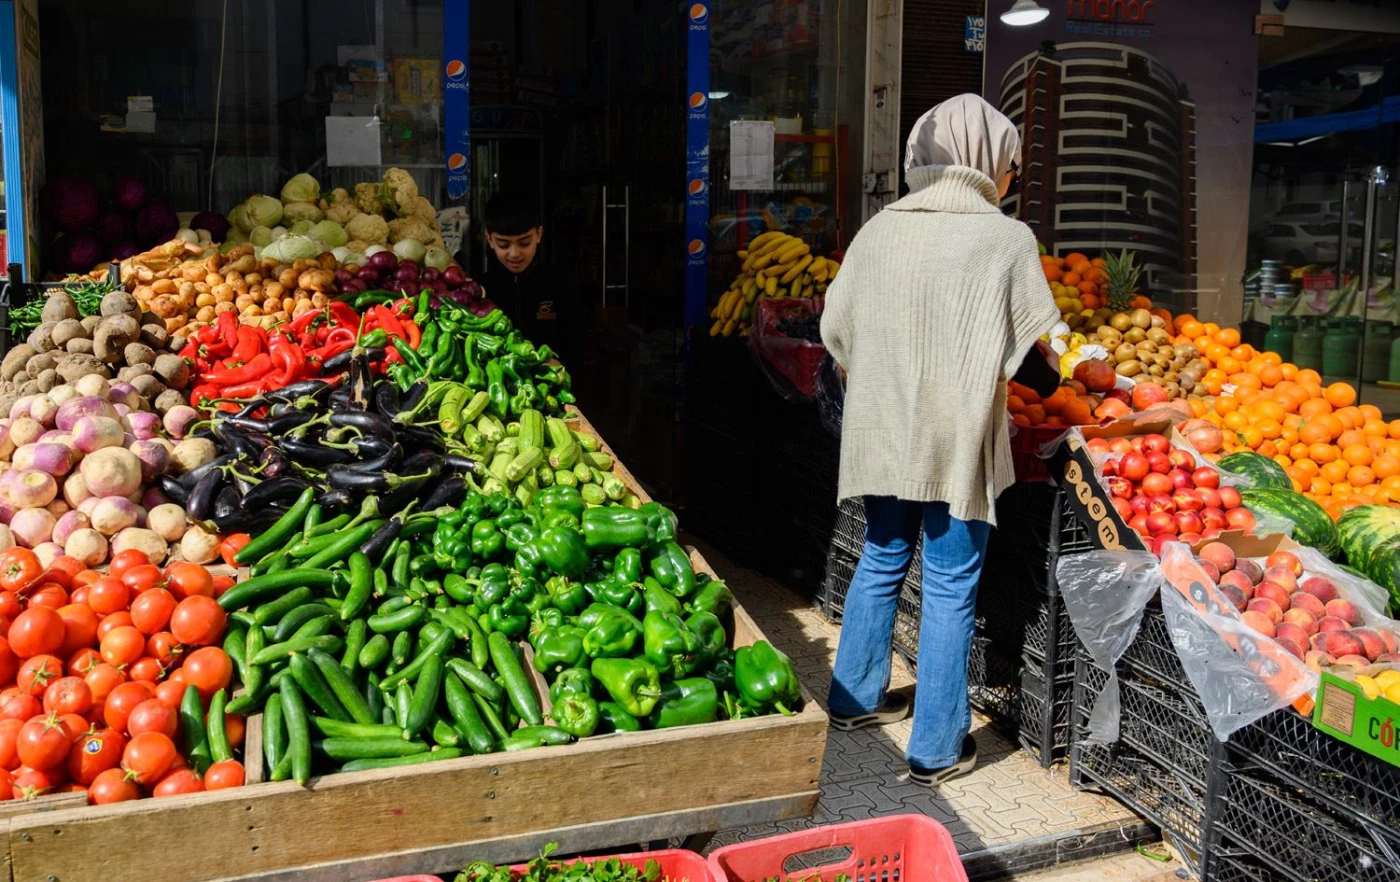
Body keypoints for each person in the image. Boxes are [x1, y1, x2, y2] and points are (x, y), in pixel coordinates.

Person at [820, 94, 1060, 787]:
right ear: (988, 161)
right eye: (1010, 165)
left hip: (884, 433)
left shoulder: (878, 230)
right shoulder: (1005, 239)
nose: (1010, 178)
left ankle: (853, 700)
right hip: (956, 442)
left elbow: (835, 332)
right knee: (952, 584)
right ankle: (935, 748)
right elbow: (1033, 360)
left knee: (881, 555)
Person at [478, 191, 573, 364]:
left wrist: (561, 364)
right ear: (489, 240)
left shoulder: (562, 285)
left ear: (539, 234)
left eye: (524, 243)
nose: (514, 253)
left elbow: (577, 346)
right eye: (503, 245)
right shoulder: (481, 290)